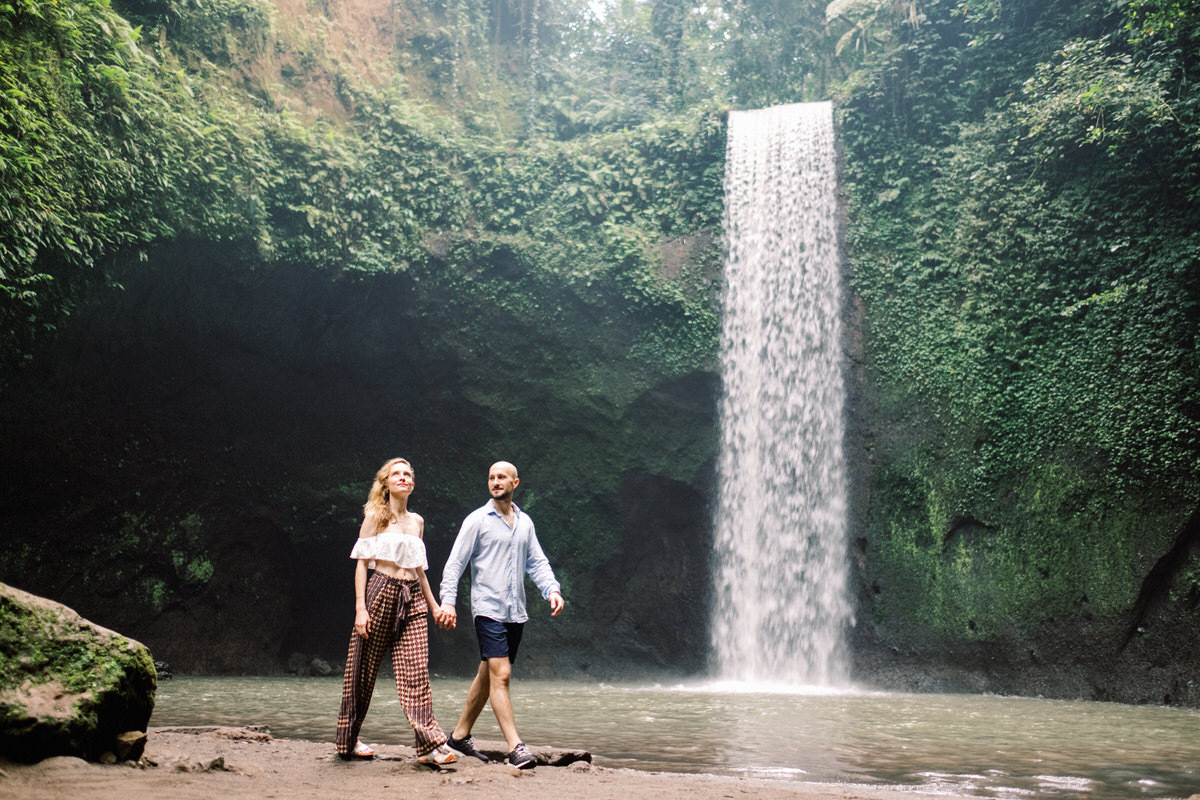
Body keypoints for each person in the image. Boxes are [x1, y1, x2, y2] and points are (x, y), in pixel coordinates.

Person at [435, 460, 564, 770]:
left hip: (515, 612)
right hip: (488, 610)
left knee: (488, 672)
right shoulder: (477, 521)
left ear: (515, 482)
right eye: (491, 477)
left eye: (502, 477)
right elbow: (455, 564)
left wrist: (553, 590)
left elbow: (536, 562)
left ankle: (459, 737)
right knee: (502, 675)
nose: (495, 481)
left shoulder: (525, 522)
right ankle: (516, 748)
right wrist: (448, 602)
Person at [334, 457, 457, 766]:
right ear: (386, 483)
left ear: (412, 484)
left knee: (417, 671)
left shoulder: (417, 522)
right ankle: (348, 741)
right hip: (380, 591)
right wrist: (360, 608)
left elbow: (420, 569)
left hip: (412, 595)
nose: (402, 478)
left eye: (407, 474)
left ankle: (429, 745)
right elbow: (362, 563)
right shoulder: (376, 515)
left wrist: (434, 605)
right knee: (361, 672)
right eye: (396, 474)